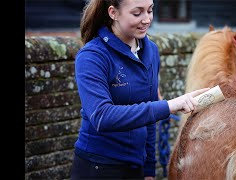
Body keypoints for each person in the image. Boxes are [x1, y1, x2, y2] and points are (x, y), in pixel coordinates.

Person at [70, 0, 210, 179]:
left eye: (150, 10)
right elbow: (102, 116)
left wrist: (149, 168)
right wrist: (169, 106)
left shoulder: (151, 50)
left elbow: (150, 117)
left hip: (137, 166)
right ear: (113, 13)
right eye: (137, 13)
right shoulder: (92, 56)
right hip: (99, 166)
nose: (147, 19)